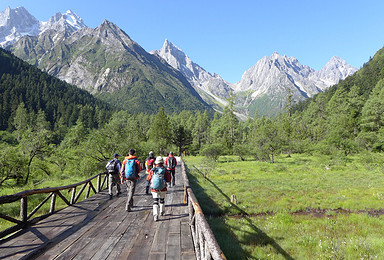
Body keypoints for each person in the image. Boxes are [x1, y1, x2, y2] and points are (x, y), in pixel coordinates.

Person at [147, 156, 171, 221]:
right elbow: (168, 179)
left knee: (155, 201)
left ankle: (155, 215)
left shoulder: (153, 170)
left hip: (154, 189)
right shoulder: (165, 170)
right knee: (162, 200)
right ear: (162, 162)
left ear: (156, 163)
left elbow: (148, 178)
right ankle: (162, 212)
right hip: (163, 188)